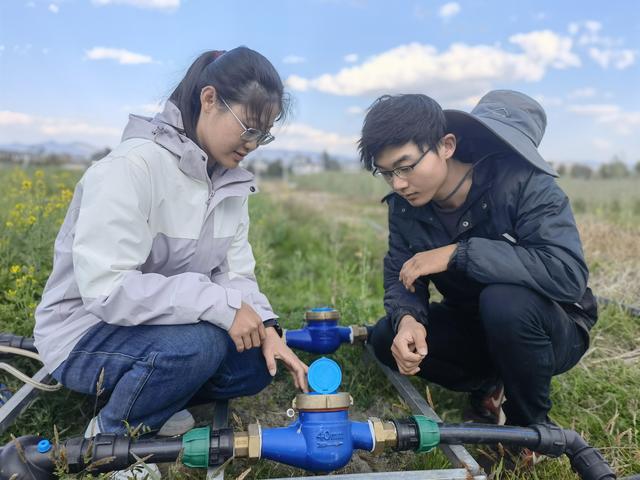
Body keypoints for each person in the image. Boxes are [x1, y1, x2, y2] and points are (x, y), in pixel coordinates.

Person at [34, 47, 308, 450]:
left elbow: (233, 273)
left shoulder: (229, 183)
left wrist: (267, 326)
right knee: (198, 347)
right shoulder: (133, 167)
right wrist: (220, 307)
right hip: (84, 333)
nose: (252, 144)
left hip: (160, 328)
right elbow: (107, 290)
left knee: (256, 364)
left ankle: (154, 392)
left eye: (262, 135)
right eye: (247, 128)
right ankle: (110, 437)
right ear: (209, 99)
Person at [360, 91, 597, 456]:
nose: (399, 183)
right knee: (384, 336)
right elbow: (401, 273)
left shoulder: (526, 185)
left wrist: (459, 253)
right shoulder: (405, 208)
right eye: (387, 172)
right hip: (477, 323)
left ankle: (527, 430)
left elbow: (566, 274)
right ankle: (490, 383)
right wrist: (409, 317)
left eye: (406, 166)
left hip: (551, 326)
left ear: (446, 145)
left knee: (504, 301)